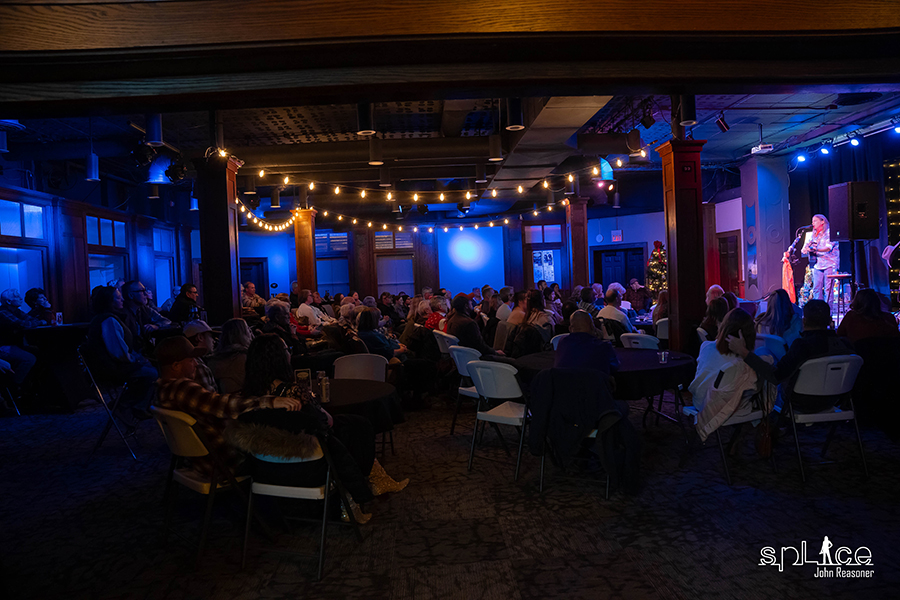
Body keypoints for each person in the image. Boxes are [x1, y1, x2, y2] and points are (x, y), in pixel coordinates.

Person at [238, 334, 407, 513]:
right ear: (278, 358)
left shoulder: (247, 398)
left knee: (352, 425)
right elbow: (326, 421)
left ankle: (374, 481)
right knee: (356, 427)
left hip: (267, 465)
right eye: (287, 349)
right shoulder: (293, 391)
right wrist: (312, 401)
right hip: (307, 459)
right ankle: (356, 493)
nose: (290, 353)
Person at [153, 335, 302, 480]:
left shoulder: (161, 389)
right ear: (176, 365)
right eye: (191, 360)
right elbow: (221, 405)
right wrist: (268, 401)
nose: (196, 364)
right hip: (226, 462)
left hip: (199, 463)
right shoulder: (182, 388)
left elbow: (211, 401)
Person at [727, 300, 854, 413]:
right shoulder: (845, 345)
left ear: (804, 321)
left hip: (802, 401)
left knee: (765, 357)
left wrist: (744, 352)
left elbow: (775, 376)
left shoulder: (802, 346)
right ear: (830, 320)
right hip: (834, 399)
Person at [83, 286, 158, 424]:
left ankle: (130, 405)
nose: (122, 299)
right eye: (118, 298)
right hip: (111, 368)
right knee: (153, 373)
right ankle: (127, 405)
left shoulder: (102, 318)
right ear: (109, 301)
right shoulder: (109, 321)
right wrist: (136, 360)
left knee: (150, 368)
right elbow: (118, 353)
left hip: (109, 365)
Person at [688, 308, 758, 410]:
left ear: (723, 327)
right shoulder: (746, 360)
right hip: (728, 407)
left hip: (700, 402)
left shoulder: (706, 346)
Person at [0, 289, 44, 389]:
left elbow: (31, 320)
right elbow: (22, 324)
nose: (20, 298)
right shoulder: (2, 312)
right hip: (3, 346)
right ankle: (14, 385)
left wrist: (37, 322)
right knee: (29, 359)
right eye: (17, 297)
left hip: (15, 345)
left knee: (40, 352)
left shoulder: (17, 311)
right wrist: (39, 322)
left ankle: (32, 383)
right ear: (8, 301)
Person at [554, 310, 619, 375]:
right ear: (592, 326)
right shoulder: (604, 346)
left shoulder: (562, 342)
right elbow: (615, 366)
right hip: (594, 381)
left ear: (570, 328)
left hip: (564, 381)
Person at [801, 214, 839, 309]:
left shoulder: (830, 233)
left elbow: (828, 248)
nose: (812, 223)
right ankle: (818, 311)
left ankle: (828, 312)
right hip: (817, 264)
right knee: (816, 289)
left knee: (828, 289)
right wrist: (805, 249)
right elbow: (806, 246)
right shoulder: (813, 235)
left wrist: (815, 249)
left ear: (822, 221)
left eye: (815, 221)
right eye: (812, 221)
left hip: (829, 264)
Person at [207, 318, 252, 393]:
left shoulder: (212, 359)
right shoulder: (244, 358)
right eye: (248, 329)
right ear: (244, 334)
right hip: (243, 398)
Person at [122, 280, 171, 349]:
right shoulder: (122, 314)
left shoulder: (145, 310)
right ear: (131, 295)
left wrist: (157, 326)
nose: (146, 294)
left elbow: (167, 322)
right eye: (142, 291)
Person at [184, 320, 218, 392]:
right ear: (200, 337)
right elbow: (209, 396)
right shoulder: (197, 365)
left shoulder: (187, 361)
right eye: (210, 336)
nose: (213, 341)